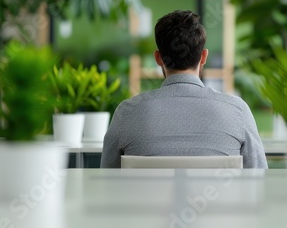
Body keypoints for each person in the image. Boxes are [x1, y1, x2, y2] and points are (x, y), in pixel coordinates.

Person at [100, 10, 268, 168]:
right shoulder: (237, 111)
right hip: (217, 200)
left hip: (146, 200)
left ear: (158, 58)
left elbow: (107, 182)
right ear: (203, 57)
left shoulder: (127, 113)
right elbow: (259, 180)